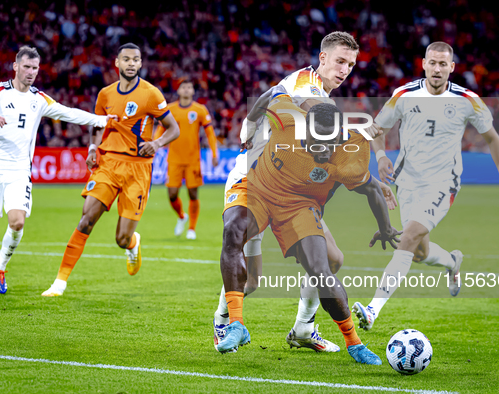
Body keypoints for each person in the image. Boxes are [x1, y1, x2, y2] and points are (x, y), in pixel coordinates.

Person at [217, 92, 401, 366]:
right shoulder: (287, 119)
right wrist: (251, 126)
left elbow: (373, 189)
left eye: (330, 142)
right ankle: (236, 324)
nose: (323, 149)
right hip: (258, 188)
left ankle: (353, 343)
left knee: (322, 270)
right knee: (233, 231)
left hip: (299, 206)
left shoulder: (350, 154)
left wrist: (385, 228)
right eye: (317, 141)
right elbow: (270, 96)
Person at [352, 41, 499, 331]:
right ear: (424, 64)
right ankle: (453, 262)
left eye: (444, 64)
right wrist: (380, 157)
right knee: (418, 252)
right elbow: (376, 131)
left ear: (452, 68)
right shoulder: (403, 95)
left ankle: (372, 310)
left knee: (408, 237)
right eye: (433, 62)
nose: (438, 68)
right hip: (407, 182)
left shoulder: (468, 100)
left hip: (444, 184)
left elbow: (492, 139)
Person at [213, 31, 362, 353]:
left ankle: (304, 329)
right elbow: (282, 100)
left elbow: (268, 98)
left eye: (350, 64)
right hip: (254, 182)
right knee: (251, 278)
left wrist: (249, 128)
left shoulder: (319, 93)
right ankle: (223, 319)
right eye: (339, 61)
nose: (345, 69)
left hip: (289, 192)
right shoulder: (306, 87)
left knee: (332, 260)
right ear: (323, 58)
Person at [0, 45, 116, 294]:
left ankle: (1, 270)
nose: (31, 72)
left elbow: (68, 113)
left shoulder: (39, 98)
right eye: (26, 67)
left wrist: (101, 120)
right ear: (15, 67)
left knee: (16, 222)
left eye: (35, 68)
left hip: (19, 171)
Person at [42, 43, 179, 296]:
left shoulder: (151, 94)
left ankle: (133, 242)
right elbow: (97, 125)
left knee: (121, 239)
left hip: (138, 170)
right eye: (125, 59)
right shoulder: (105, 94)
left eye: (135, 60)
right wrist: (93, 149)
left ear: (140, 64)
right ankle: (59, 283)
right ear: (116, 63)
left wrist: (156, 143)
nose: (130, 64)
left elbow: (173, 128)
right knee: (86, 218)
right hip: (108, 163)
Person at [154, 80, 218, 240]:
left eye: (189, 87)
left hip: (193, 160)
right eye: (184, 87)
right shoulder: (170, 109)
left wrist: (214, 153)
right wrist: (155, 144)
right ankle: (182, 216)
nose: (186, 89)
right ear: (179, 90)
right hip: (174, 159)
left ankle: (192, 229)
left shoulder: (200, 110)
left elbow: (209, 133)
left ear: (192, 91)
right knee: (172, 194)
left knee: (193, 194)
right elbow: (161, 127)